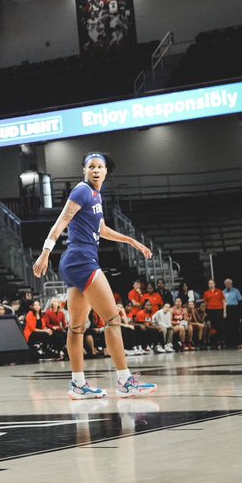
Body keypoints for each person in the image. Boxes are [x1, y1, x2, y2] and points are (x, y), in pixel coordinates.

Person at [32, 153, 156, 399]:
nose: (96, 170)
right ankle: (124, 381)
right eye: (92, 166)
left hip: (76, 261)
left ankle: (78, 384)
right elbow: (60, 222)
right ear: (84, 170)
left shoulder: (96, 195)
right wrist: (45, 252)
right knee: (113, 320)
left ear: (106, 171)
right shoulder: (82, 192)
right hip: (81, 260)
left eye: (100, 167)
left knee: (76, 327)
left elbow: (101, 229)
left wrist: (131, 241)